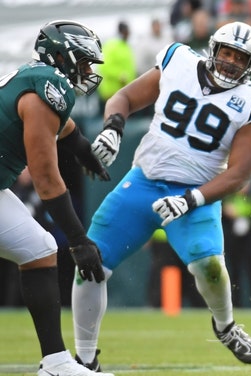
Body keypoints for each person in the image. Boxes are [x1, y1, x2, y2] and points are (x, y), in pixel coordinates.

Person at [71, 21, 251, 370]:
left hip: (196, 193)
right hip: (144, 180)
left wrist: (191, 200)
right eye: (228, 52)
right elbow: (125, 97)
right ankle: (85, 361)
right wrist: (114, 128)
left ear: (250, 65)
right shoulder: (179, 60)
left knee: (210, 267)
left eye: (241, 57)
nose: (232, 61)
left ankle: (225, 326)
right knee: (90, 263)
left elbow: (239, 174)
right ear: (213, 49)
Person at [0, 20, 113, 376]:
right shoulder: (48, 86)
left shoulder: (36, 78)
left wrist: (80, 146)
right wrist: (79, 241)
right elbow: (46, 178)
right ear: (63, 56)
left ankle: (56, 363)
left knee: (38, 248)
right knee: (47, 245)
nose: (88, 72)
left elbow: (59, 124)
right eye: (83, 62)